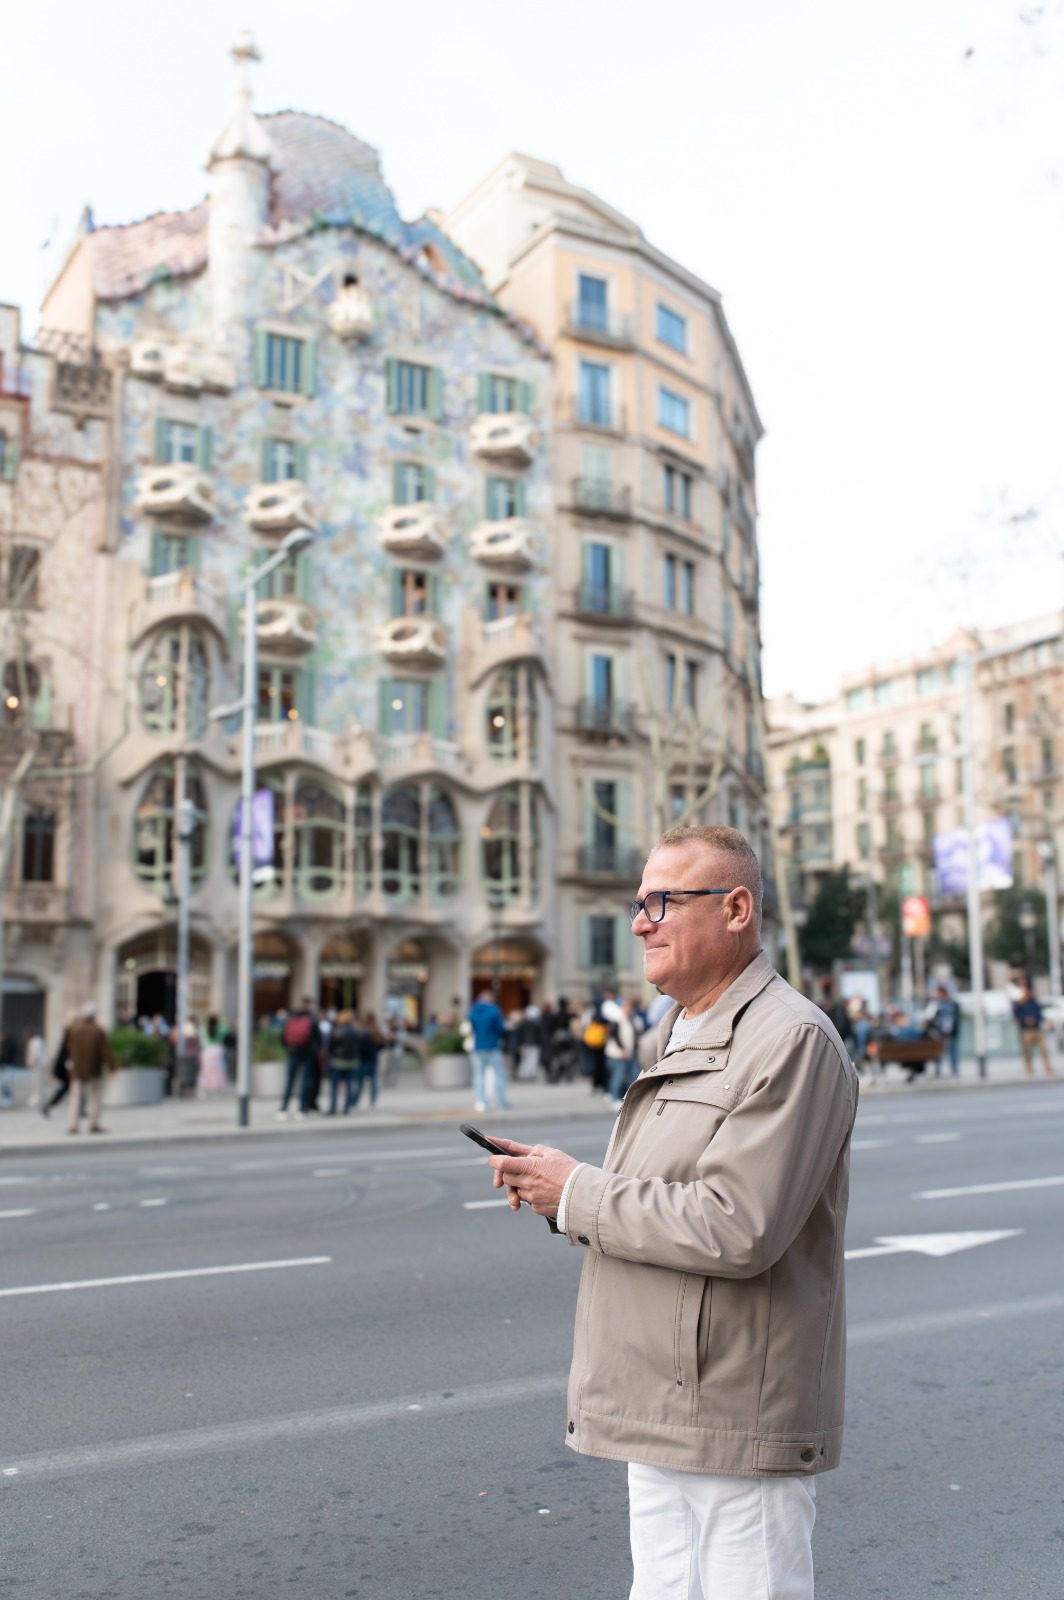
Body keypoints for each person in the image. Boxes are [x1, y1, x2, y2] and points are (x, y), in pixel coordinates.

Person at [482, 825, 858, 1600]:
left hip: (733, 1413)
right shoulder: (679, 1030)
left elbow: (736, 1224)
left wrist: (577, 1191)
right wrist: (558, 1190)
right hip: (664, 1403)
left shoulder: (791, 1039)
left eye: (662, 902)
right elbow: (661, 1194)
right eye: (638, 903)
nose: (639, 923)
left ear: (736, 909)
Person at [66, 1003, 113, 1134]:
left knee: (75, 1097)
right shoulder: (98, 1031)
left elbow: (68, 1048)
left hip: (77, 1069)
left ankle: (73, 1125)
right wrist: (111, 1066)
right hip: (94, 1068)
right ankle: (94, 1123)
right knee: (95, 1096)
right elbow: (105, 1051)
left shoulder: (74, 1030)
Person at [276, 998, 320, 1121]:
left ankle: (283, 1109)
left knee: (290, 1081)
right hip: (307, 1054)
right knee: (305, 1082)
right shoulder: (312, 1019)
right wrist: (313, 1050)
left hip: (293, 1052)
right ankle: (302, 1109)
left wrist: (290, 1048)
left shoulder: (290, 1019)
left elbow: (283, 1038)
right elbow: (318, 1039)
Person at [467, 990, 510, 1112]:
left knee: (479, 1075)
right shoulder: (494, 1010)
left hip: (478, 1046)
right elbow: (500, 1028)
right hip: (492, 1046)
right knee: (498, 1074)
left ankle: (481, 1101)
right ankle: (501, 1101)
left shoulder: (473, 1011)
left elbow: (471, 1027)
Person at [1012, 978, 1055, 1078]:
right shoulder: (1019, 1004)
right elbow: (1016, 1016)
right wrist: (1025, 1020)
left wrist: (1042, 1020)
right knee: (1027, 1051)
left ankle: (1047, 1067)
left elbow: (1039, 1014)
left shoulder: (1034, 1002)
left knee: (1044, 1049)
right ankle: (1029, 1069)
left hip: (1037, 1028)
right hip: (1026, 1030)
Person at [603, 995, 638, 1108]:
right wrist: (623, 1050)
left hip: (626, 1053)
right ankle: (614, 1098)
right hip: (618, 1054)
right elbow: (615, 1036)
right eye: (626, 1006)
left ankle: (631, 1098)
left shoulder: (629, 1019)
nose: (628, 1008)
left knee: (632, 1076)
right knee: (618, 1076)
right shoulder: (618, 1018)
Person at [326, 1010, 362, 1114]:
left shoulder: (338, 1031)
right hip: (351, 1062)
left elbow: (330, 1046)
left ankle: (333, 1107)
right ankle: (347, 1107)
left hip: (337, 1062)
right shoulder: (355, 1031)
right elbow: (359, 1046)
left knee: (334, 1086)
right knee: (349, 1086)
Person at [352, 1013, 386, 1109]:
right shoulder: (375, 1031)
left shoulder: (363, 1031)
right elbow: (382, 1044)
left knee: (360, 1082)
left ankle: (355, 1100)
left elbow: (359, 1045)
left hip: (363, 1059)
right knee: (373, 1082)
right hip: (372, 1059)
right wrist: (375, 1050)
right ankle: (372, 1101)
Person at [926, 984, 960, 1078]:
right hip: (940, 1032)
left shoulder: (945, 1004)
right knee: (940, 1051)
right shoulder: (938, 1003)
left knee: (951, 1051)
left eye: (937, 992)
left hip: (947, 1032)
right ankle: (942, 1070)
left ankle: (953, 1070)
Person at [40, 1022, 73, 1118]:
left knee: (69, 1089)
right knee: (67, 1088)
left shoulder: (65, 1042)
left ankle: (48, 1106)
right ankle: (47, 1105)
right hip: (63, 1071)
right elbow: (63, 1059)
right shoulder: (66, 1043)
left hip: (63, 1071)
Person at [25, 1028, 47, 1109]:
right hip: (38, 1065)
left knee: (38, 1083)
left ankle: (38, 1098)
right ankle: (38, 1098)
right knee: (37, 1083)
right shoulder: (37, 1041)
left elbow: (36, 1054)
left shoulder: (35, 1042)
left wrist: (32, 1062)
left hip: (38, 1065)